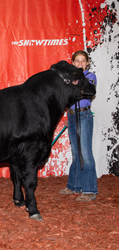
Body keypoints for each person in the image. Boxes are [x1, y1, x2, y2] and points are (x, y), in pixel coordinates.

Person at [59, 50, 98, 201]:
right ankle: (74, 186)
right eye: (77, 61)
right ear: (72, 63)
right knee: (76, 152)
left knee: (86, 153)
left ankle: (89, 190)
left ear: (87, 63)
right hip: (72, 115)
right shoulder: (69, 78)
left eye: (83, 61)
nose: (80, 63)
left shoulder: (90, 76)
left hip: (83, 115)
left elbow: (88, 92)